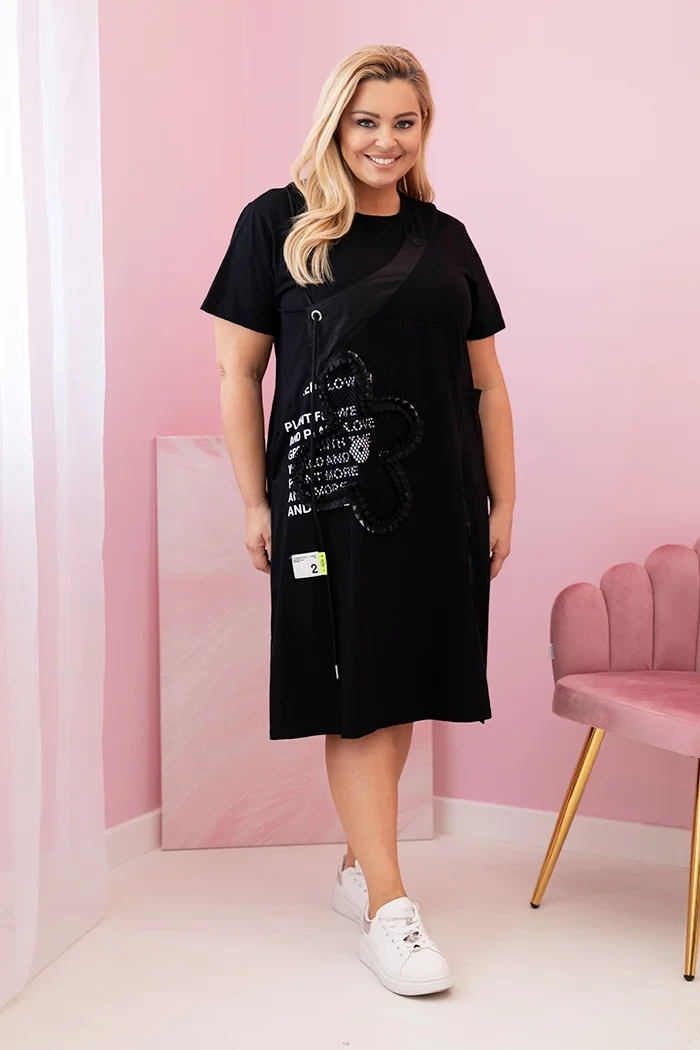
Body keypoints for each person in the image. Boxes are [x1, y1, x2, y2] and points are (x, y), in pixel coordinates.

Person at [200, 44, 515, 997]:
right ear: (337, 123)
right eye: (367, 121)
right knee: (357, 690)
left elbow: (488, 383)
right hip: (329, 502)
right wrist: (254, 501)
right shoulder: (277, 222)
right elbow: (238, 374)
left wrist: (504, 498)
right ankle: (388, 906)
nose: (385, 140)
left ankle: (356, 869)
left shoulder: (446, 236)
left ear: (424, 129)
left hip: (439, 499)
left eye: (404, 122)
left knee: (400, 682)